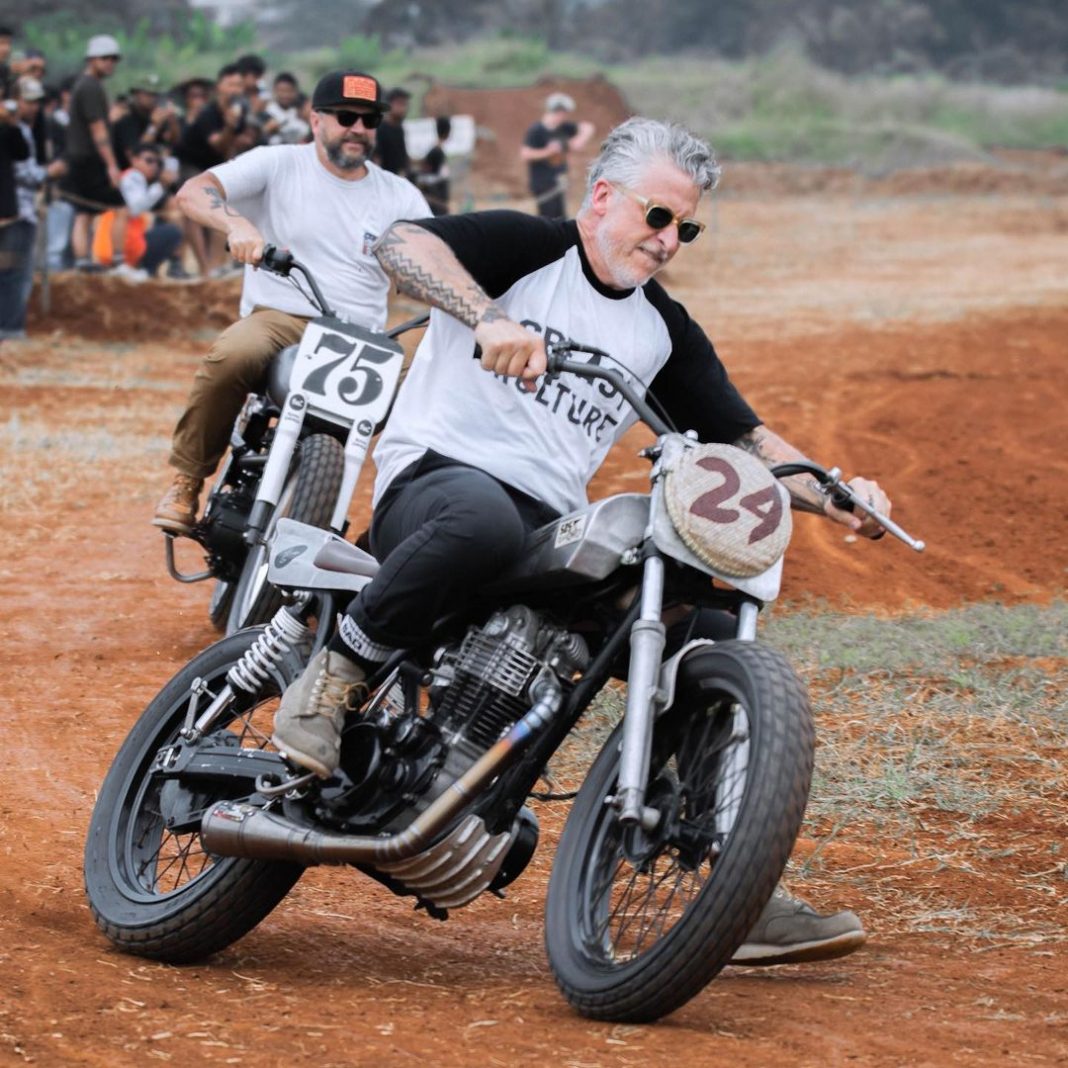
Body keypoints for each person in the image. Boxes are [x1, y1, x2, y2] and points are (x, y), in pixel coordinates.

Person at [274, 116, 889, 967]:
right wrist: (489, 318)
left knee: (704, 629)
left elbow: (743, 437)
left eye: (686, 228)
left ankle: (725, 868)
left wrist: (837, 494)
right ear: (603, 197)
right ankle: (334, 675)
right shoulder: (527, 248)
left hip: (540, 527)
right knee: (484, 519)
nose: (668, 240)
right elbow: (399, 243)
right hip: (437, 482)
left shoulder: (661, 331)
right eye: (657, 216)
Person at [152, 70, 431, 534]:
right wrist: (237, 225)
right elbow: (194, 191)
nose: (358, 129)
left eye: (369, 120)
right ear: (315, 119)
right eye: (346, 117)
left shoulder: (401, 195)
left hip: (364, 337)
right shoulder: (278, 163)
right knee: (233, 354)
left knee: (433, 378)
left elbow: (437, 258)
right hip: (284, 318)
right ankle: (187, 479)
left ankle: (400, 530)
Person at [58, 34, 129, 274]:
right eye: (105, 58)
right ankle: (118, 261)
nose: (110, 63)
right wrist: (111, 165)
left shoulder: (84, 85)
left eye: (113, 59)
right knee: (120, 207)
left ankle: (82, 261)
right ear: (92, 59)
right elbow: (97, 129)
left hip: (79, 158)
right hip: (91, 159)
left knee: (85, 212)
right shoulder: (90, 87)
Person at [2, 76, 65, 338]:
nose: (34, 107)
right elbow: (24, 172)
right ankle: (11, 329)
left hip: (15, 208)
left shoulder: (26, 128)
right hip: (18, 210)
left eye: (37, 102)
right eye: (28, 101)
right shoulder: (17, 130)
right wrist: (50, 172)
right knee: (15, 272)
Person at [91, 142, 181, 281]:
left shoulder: (136, 179)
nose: (153, 166)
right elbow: (136, 208)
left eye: (157, 163)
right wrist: (161, 184)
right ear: (134, 160)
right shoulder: (133, 177)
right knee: (172, 232)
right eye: (149, 160)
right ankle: (146, 270)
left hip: (117, 247)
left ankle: (146, 270)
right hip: (121, 248)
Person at [520, 92, 595, 219]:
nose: (564, 116)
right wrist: (548, 152)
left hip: (558, 181)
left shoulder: (564, 127)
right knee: (547, 219)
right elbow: (525, 154)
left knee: (560, 219)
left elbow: (588, 127)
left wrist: (578, 140)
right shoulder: (536, 130)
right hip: (543, 183)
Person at [415, 115, 450, 216]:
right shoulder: (436, 153)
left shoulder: (436, 151)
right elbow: (424, 178)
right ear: (448, 133)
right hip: (435, 205)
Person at [263, 72, 310, 146]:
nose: (285, 95)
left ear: (296, 91)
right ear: (274, 90)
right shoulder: (266, 112)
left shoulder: (300, 113)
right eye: (281, 91)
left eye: (289, 91)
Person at [373, 86, 410, 176]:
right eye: (400, 104)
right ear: (389, 104)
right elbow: (376, 159)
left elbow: (402, 158)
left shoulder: (399, 129)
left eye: (405, 104)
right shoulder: (380, 129)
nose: (403, 108)